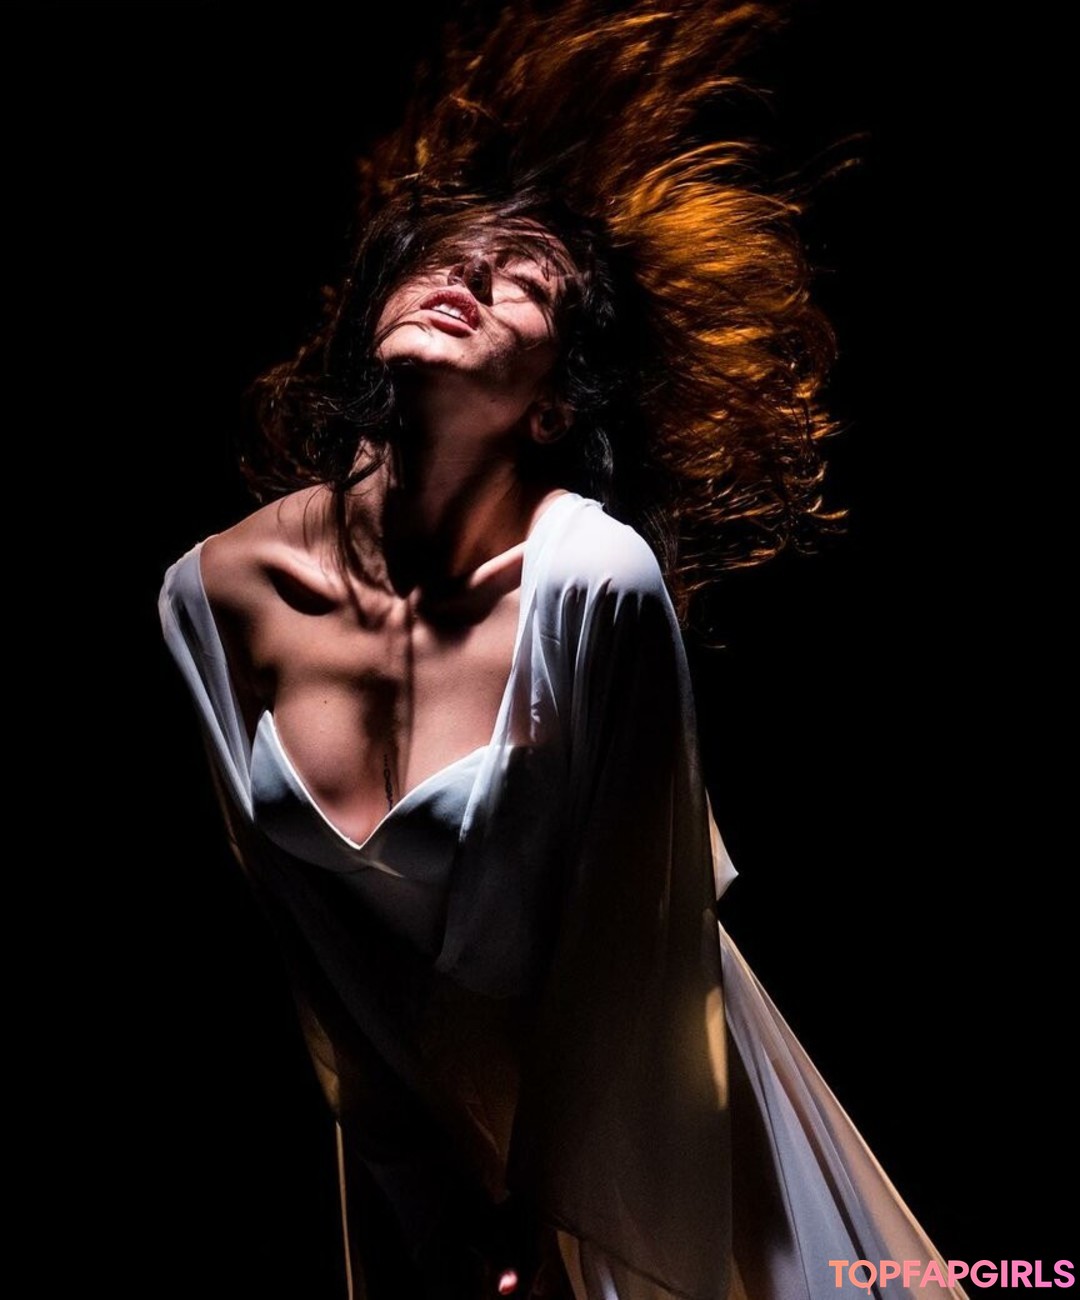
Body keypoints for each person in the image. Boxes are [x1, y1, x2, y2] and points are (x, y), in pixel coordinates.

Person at [160, 3, 970, 1297]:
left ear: (553, 405)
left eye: (525, 277)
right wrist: (443, 1192)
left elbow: (634, 952)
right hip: (427, 1163)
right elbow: (315, 953)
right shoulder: (213, 594)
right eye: (448, 253)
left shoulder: (596, 586)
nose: (468, 275)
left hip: (650, 1128)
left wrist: (549, 1211)